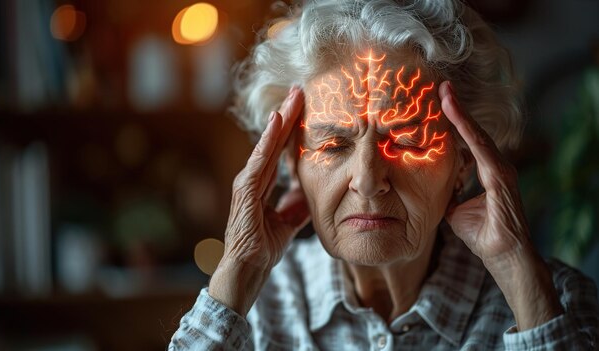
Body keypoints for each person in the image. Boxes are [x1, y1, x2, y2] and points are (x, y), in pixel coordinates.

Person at [169, 0, 599, 349]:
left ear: (464, 161)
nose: (369, 179)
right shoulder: (254, 309)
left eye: (410, 142)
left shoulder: (554, 303)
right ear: (289, 162)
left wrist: (516, 273)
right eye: (333, 145)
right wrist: (238, 271)